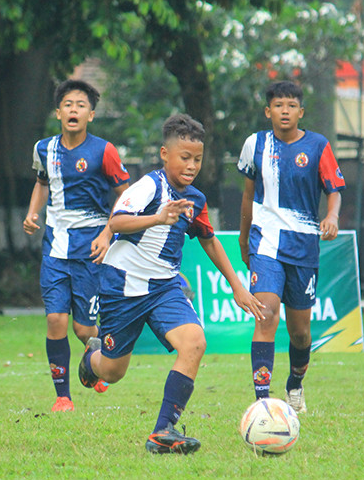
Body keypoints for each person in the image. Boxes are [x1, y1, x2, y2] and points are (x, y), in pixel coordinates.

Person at [77, 114, 264, 454]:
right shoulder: (149, 186)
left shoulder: (196, 199)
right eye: (185, 157)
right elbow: (116, 221)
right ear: (165, 154)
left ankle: (163, 430)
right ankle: (92, 359)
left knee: (194, 342)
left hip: (165, 287)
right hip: (123, 286)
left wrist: (237, 285)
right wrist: (158, 217)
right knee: (113, 371)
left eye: (198, 159)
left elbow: (209, 240)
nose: (192, 166)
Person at [23, 79, 130, 413]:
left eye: (81, 105)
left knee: (84, 329)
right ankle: (63, 397)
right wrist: (32, 213)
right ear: (58, 112)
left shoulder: (104, 151)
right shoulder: (44, 149)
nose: (74, 110)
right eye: (68, 104)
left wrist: (107, 233)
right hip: (55, 247)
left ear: (91, 115)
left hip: (91, 249)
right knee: (55, 320)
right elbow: (42, 183)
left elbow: (125, 196)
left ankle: (97, 362)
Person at [237, 80, 344, 414]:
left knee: (300, 334)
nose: (285, 111)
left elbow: (334, 190)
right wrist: (243, 238)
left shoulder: (318, 146)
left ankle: (295, 384)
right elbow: (247, 195)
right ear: (268, 111)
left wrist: (332, 216)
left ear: (301, 112)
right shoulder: (255, 144)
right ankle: (262, 402)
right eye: (278, 105)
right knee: (266, 314)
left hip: (303, 246)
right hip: (265, 242)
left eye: (291, 106)